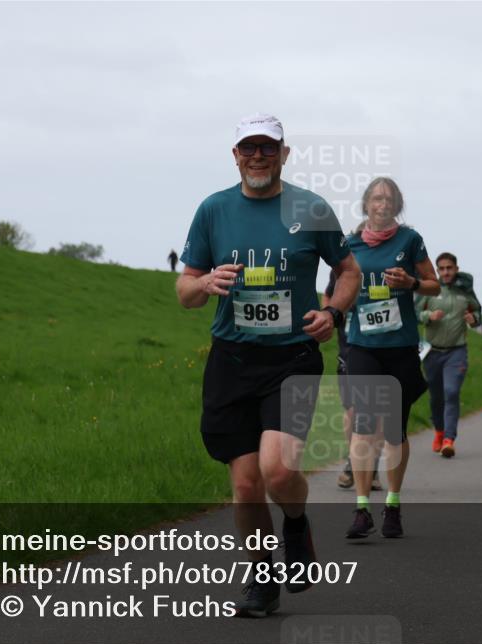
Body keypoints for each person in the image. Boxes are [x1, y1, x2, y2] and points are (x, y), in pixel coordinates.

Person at [176, 113, 360, 617]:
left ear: (284, 153)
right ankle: (262, 578)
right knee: (244, 484)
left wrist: (333, 311)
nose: (258, 156)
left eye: (268, 147)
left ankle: (296, 522)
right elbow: (185, 289)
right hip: (232, 360)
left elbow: (348, 270)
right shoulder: (213, 210)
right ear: (234, 155)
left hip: (293, 357)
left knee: (278, 471)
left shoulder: (311, 208)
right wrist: (204, 284)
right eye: (248, 148)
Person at [343, 177, 438, 539]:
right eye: (376, 198)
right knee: (364, 424)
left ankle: (393, 504)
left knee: (394, 427)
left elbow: (434, 284)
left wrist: (411, 283)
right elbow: (338, 287)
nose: (382, 204)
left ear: (396, 206)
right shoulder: (349, 244)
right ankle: (362, 507)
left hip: (399, 347)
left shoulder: (410, 241)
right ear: (366, 204)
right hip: (363, 346)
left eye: (388, 199)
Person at [415, 252, 479, 458]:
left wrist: (473, 318)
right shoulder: (429, 289)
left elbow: (477, 312)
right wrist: (428, 316)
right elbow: (414, 313)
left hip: (457, 351)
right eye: (441, 268)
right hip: (432, 352)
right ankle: (439, 432)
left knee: (451, 392)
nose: (446, 272)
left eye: (449, 268)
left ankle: (449, 439)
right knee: (436, 396)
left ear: (456, 269)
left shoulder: (465, 291)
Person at [324, 270, 381, 491]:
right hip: (347, 351)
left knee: (375, 412)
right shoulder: (341, 268)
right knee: (351, 411)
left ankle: (373, 468)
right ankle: (353, 461)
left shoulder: (383, 266)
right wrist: (328, 315)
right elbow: (328, 295)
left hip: (378, 351)